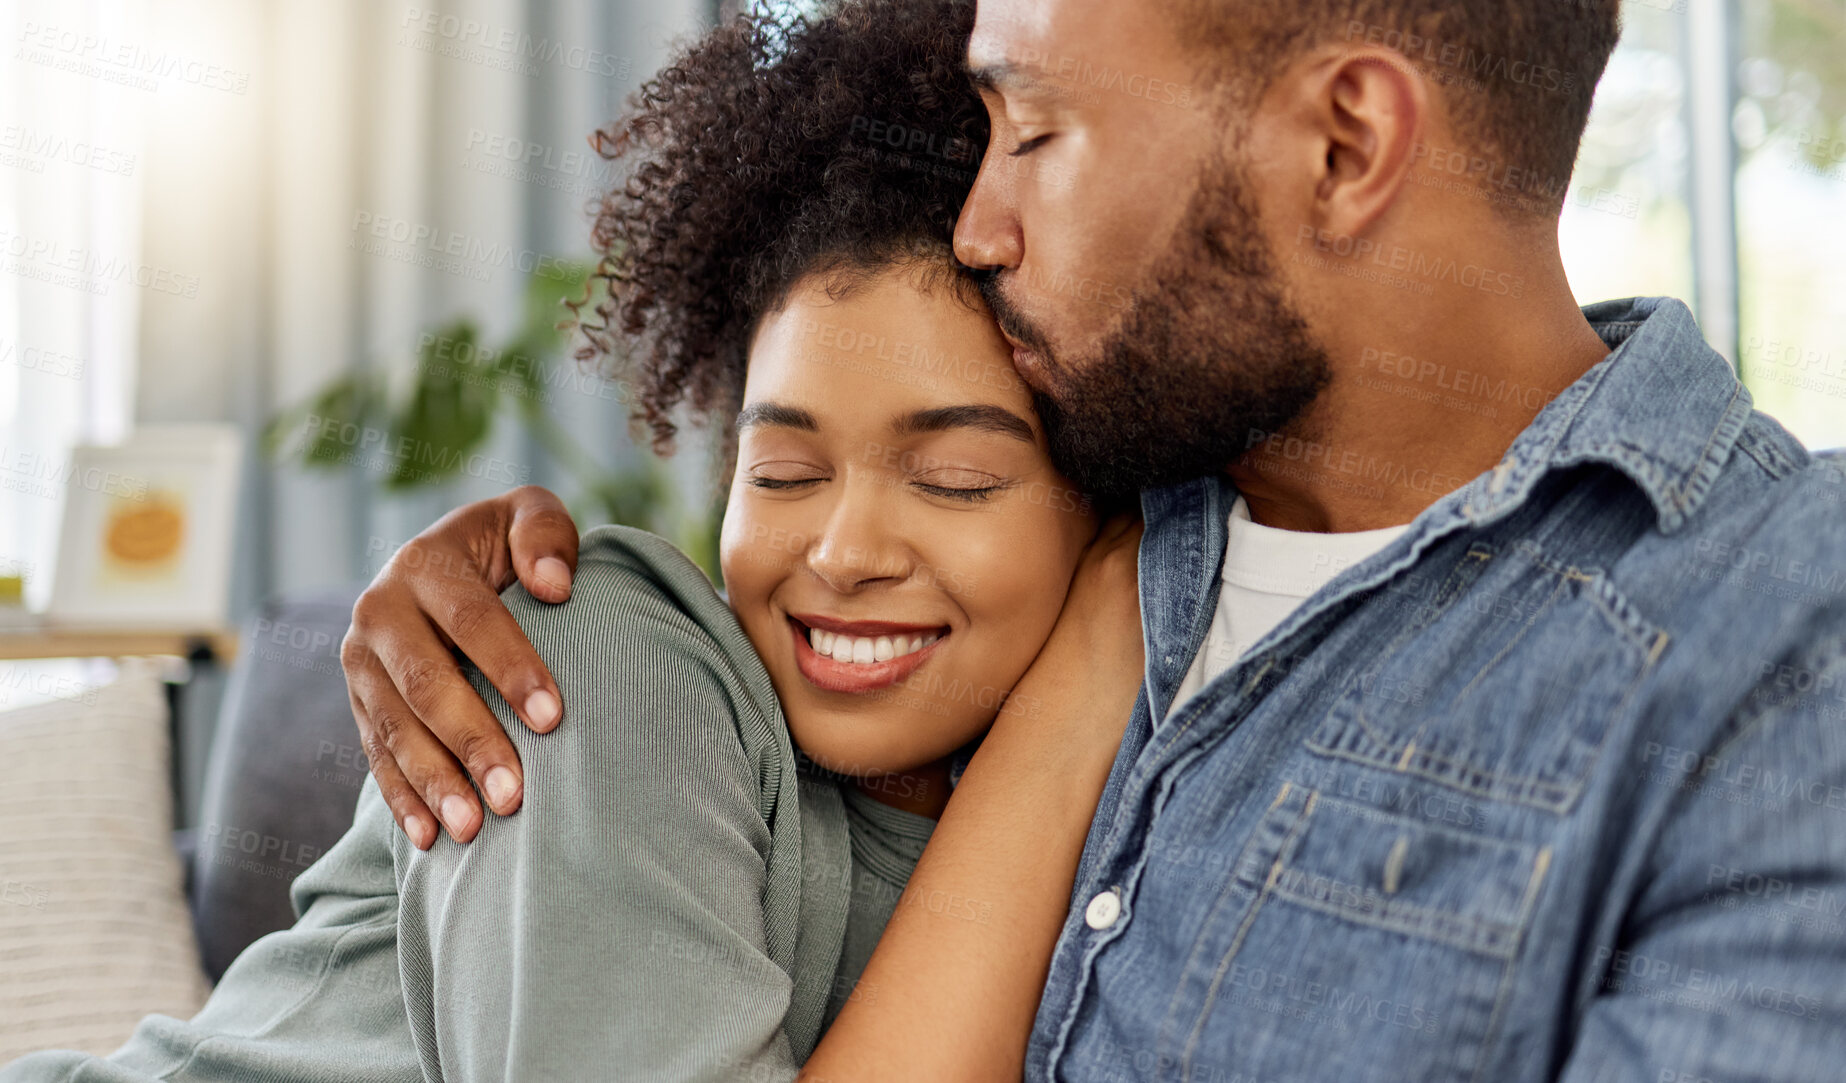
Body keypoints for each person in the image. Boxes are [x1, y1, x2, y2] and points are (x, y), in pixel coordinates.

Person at [352, 0, 1846, 1080]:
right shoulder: (1105, 504)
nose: (978, 223)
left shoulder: (1777, 640)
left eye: (1034, 129)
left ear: (1343, 145)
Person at [0, 2, 1150, 1080]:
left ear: (1105, 502)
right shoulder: (595, 664)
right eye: (784, 472)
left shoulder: (1138, 810)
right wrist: (1075, 705)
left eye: (953, 481)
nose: (842, 552)